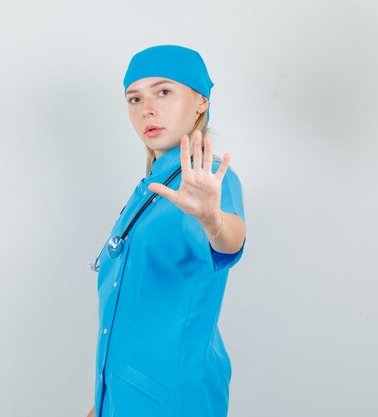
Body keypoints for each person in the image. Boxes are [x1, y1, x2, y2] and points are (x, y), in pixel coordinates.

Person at [86, 45, 247, 417]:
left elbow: (230, 239)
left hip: (172, 396)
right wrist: (104, 398)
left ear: (201, 102)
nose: (147, 110)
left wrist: (213, 220)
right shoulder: (152, 188)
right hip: (123, 393)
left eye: (163, 92)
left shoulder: (206, 180)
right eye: (134, 98)